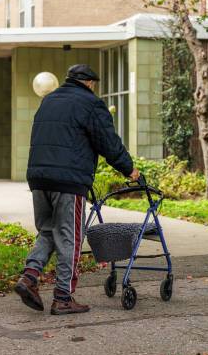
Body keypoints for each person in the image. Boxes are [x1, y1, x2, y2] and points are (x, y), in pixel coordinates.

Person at [14, 64, 139, 315]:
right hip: (68, 181)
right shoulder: (90, 103)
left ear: (69, 79)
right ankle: (62, 297)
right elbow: (108, 143)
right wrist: (130, 170)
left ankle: (29, 276)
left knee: (48, 231)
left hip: (39, 178)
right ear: (90, 83)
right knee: (70, 237)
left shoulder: (48, 102)